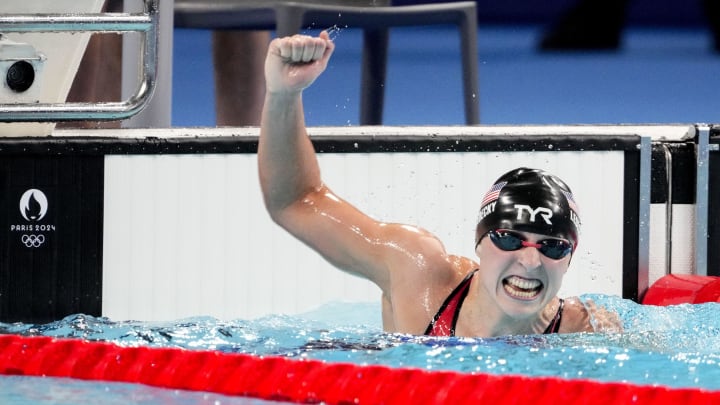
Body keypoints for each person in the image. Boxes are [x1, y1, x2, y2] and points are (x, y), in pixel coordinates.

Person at [258, 32, 622, 337]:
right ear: (480, 242)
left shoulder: (583, 330)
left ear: (569, 259)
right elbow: (295, 201)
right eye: (510, 239)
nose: (529, 261)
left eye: (552, 247)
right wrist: (283, 95)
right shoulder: (417, 271)